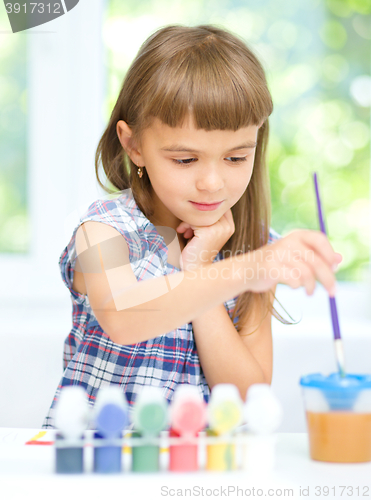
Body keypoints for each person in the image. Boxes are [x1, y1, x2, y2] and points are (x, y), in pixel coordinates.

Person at [42, 24, 342, 429]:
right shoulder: (104, 230)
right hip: (99, 467)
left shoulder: (250, 247)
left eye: (236, 158)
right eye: (185, 160)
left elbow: (245, 397)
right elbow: (123, 318)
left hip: (196, 475)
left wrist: (201, 266)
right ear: (134, 146)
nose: (213, 183)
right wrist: (246, 270)